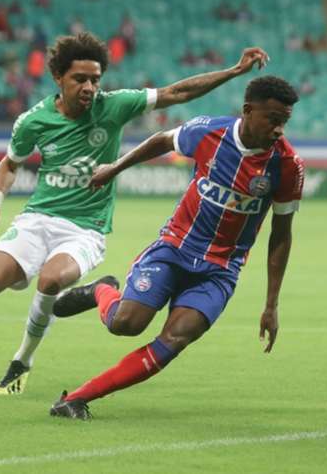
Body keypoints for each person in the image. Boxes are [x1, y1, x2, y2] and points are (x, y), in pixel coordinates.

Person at [0, 32, 270, 395]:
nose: (89, 87)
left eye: (95, 79)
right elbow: (10, 163)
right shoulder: (34, 121)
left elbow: (177, 92)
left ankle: (22, 360)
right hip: (37, 219)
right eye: (79, 79)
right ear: (58, 78)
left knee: (51, 281)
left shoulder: (114, 105)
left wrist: (234, 72)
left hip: (85, 229)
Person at [47, 75, 303, 420]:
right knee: (126, 324)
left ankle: (75, 398)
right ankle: (102, 291)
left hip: (220, 270)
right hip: (174, 248)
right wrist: (115, 168)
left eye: (284, 122)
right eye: (273, 119)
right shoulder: (210, 133)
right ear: (247, 111)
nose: (279, 130)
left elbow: (281, 234)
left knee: (175, 339)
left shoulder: (287, 165)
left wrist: (271, 304)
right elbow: (163, 140)